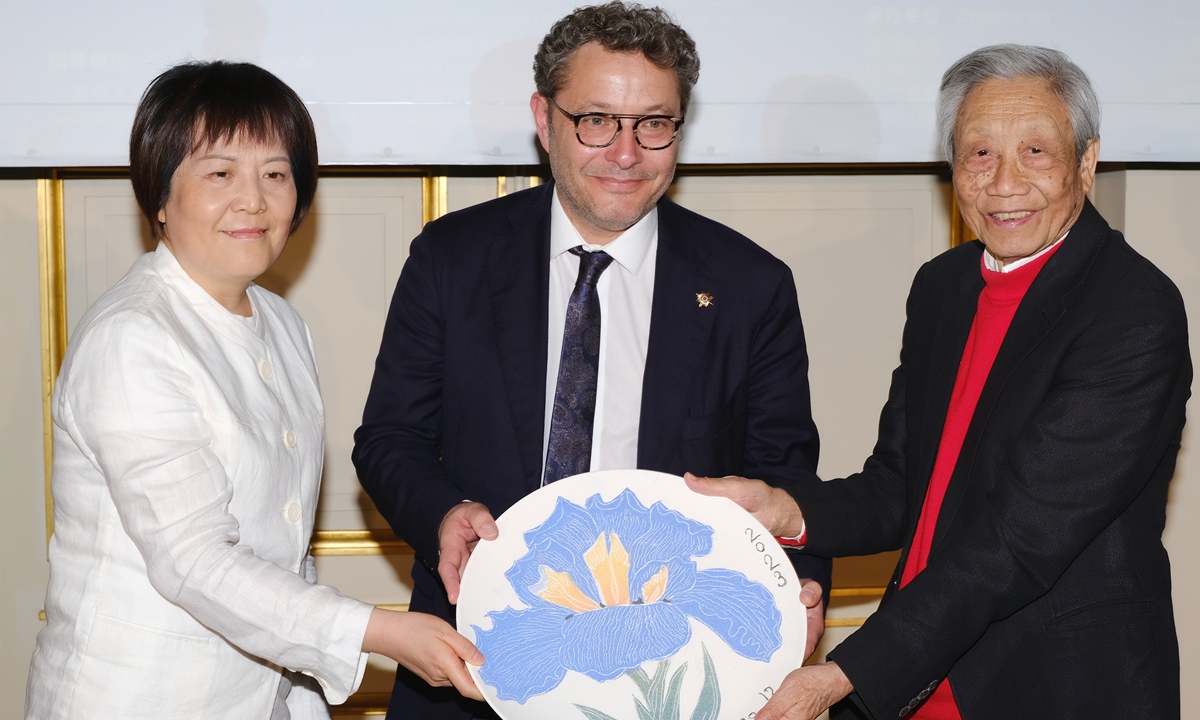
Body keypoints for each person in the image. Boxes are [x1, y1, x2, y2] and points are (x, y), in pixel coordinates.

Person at [352, 3, 830, 718]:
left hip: (674, 672)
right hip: (472, 659)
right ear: (544, 120)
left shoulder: (747, 286)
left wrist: (797, 593)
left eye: (654, 124)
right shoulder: (452, 259)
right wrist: (445, 513)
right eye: (597, 120)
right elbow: (390, 441)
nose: (627, 152)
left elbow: (786, 479)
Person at [687, 44, 1190, 720]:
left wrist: (841, 676)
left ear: (1087, 161)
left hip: (1056, 686)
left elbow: (1020, 538)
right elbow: (902, 485)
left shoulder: (1133, 311)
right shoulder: (945, 287)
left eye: (1036, 152)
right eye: (979, 153)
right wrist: (787, 512)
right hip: (920, 679)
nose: (1004, 182)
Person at [25, 61, 483, 720]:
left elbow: (283, 553)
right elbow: (195, 561)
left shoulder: (280, 322)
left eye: (275, 173)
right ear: (158, 194)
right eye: (220, 173)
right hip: (138, 698)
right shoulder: (131, 337)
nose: (254, 200)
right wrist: (376, 632)